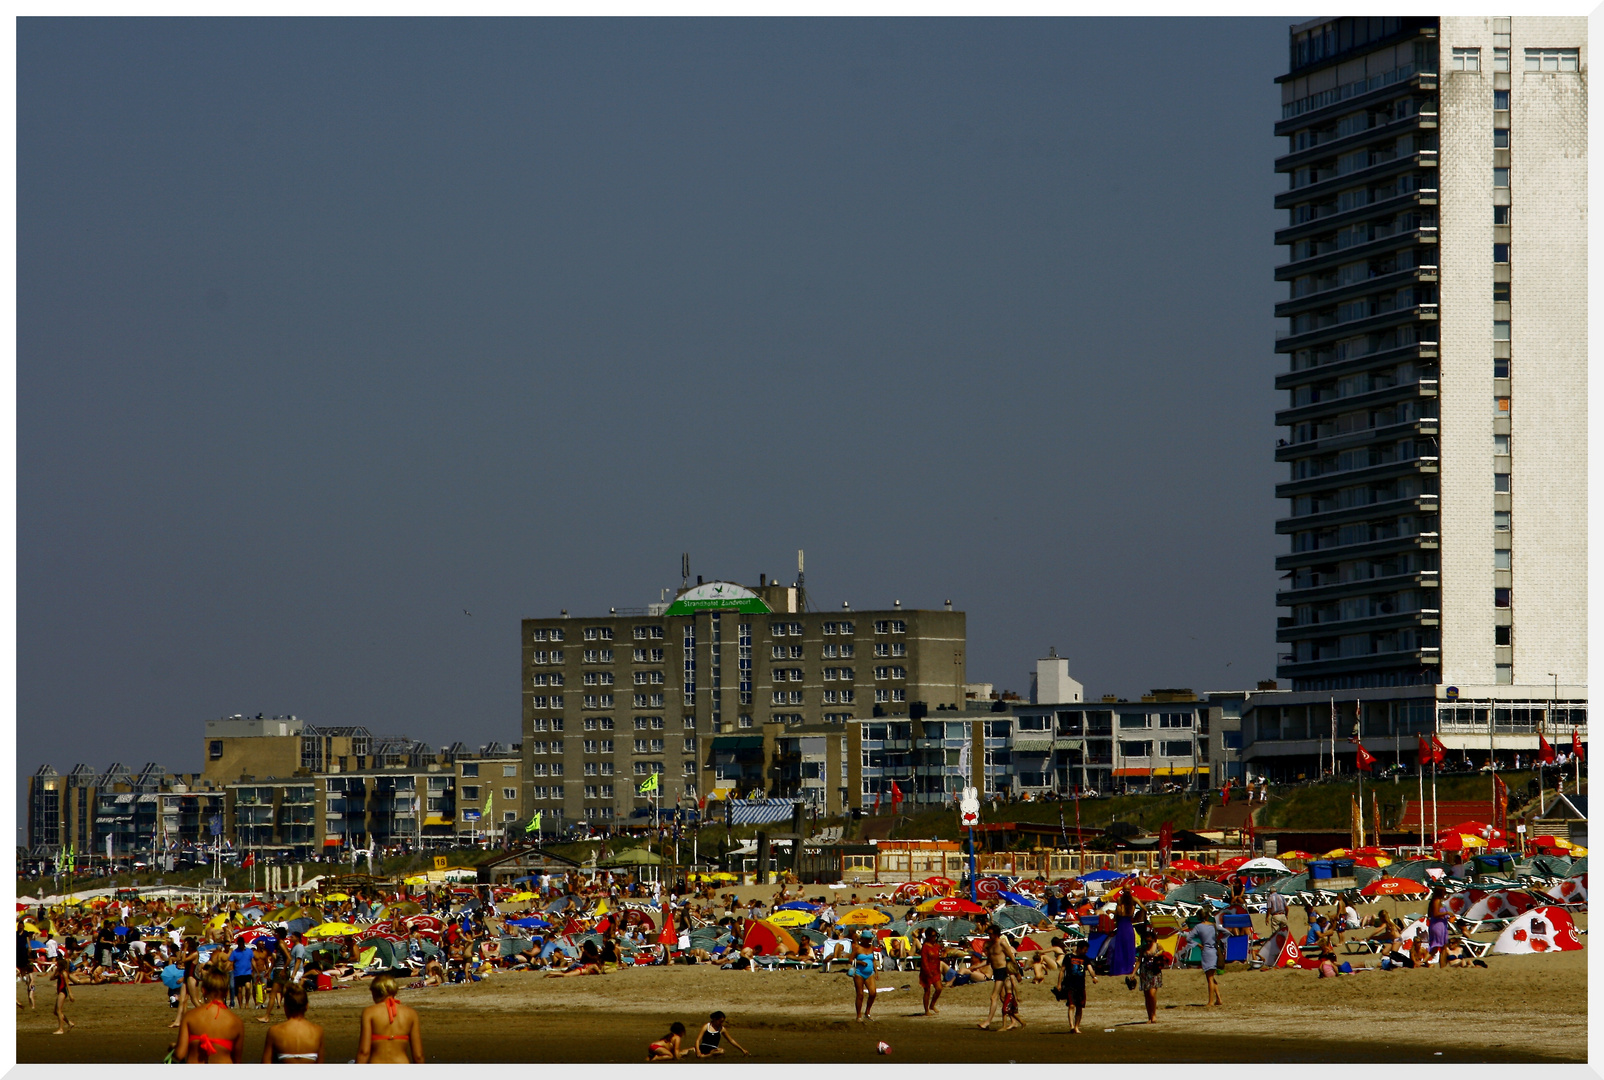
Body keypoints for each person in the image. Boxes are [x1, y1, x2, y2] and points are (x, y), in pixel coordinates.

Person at [175, 966, 241, 1062]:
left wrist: (174, 1048)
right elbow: (237, 1060)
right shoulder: (236, 1022)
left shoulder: (190, 1017)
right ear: (226, 992)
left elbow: (180, 1054)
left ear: (203, 990)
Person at [357, 973, 424, 1063]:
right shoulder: (411, 1014)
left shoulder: (369, 1012)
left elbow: (364, 1052)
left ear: (376, 992)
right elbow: (418, 1055)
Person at [262, 982, 323, 1063]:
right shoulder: (317, 1031)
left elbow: (265, 1064)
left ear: (285, 1007)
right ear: (307, 1006)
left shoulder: (275, 1031)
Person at [978, 923, 1019, 1031]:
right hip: (996, 971)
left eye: (991, 933)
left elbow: (1011, 956)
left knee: (993, 996)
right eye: (988, 933)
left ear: (996, 933)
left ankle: (987, 1022)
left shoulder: (1002, 943)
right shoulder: (990, 945)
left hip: (1002, 970)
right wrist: (974, 967)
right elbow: (988, 961)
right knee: (1003, 997)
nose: (989, 935)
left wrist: (1016, 973)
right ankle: (1014, 1021)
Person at [1058, 939, 1095, 1034]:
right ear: (1079, 948)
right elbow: (1062, 970)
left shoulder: (1085, 958)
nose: (1086, 951)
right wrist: (1059, 984)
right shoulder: (1068, 957)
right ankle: (1071, 1026)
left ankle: (1077, 1026)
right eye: (1085, 949)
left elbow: (1090, 969)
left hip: (1081, 986)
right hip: (1070, 985)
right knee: (1071, 1005)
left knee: (1079, 1007)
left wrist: (1094, 976)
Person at [1184, 915, 1222, 1007]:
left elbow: (1188, 938)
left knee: (1209, 978)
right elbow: (1227, 932)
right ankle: (1219, 999)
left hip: (1206, 951)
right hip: (1215, 951)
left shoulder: (1199, 927)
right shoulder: (1214, 926)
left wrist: (1198, 944)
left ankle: (1211, 1001)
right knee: (1212, 977)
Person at [1106, 887, 1140, 977]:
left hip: (1121, 927)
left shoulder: (1119, 904)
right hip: (1128, 927)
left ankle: (1120, 968)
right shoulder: (1132, 906)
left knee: (1120, 947)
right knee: (1128, 947)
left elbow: (1117, 916)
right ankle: (1128, 968)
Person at [849, 931, 878, 1023]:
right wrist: (859, 962)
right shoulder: (857, 948)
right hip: (859, 972)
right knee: (860, 994)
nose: (869, 940)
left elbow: (873, 960)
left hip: (870, 973)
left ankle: (867, 1012)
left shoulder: (871, 948)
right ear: (863, 939)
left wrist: (876, 972)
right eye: (868, 939)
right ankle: (858, 1015)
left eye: (870, 939)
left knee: (873, 993)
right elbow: (850, 960)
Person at [1137, 934, 1165, 1024]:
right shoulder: (1143, 948)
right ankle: (1150, 1016)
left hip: (1154, 972)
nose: (1148, 943)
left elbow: (1164, 953)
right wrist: (1133, 973)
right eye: (1147, 941)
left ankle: (1154, 1015)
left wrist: (1159, 955)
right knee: (1147, 996)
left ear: (1154, 940)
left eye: (1150, 941)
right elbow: (1139, 961)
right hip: (1145, 972)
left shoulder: (1158, 946)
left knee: (1152, 994)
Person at [918, 927, 944, 1016]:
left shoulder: (936, 945)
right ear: (928, 936)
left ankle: (932, 1005)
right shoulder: (925, 947)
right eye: (933, 936)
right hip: (927, 971)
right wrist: (928, 972)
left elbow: (941, 952)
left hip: (935, 970)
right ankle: (926, 1010)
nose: (934, 938)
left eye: (935, 936)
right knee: (927, 991)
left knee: (939, 988)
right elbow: (924, 961)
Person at [1427, 886, 1452, 968]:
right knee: (1442, 947)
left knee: (1438, 947)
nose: (1445, 894)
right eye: (1444, 892)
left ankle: (1441, 965)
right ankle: (1442, 966)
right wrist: (1447, 913)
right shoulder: (1436, 901)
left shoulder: (1439, 901)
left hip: (1441, 925)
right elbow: (1435, 914)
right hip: (1438, 925)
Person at [50, 953, 74, 1035]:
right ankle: (69, 1023)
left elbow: (67, 984)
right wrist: (55, 972)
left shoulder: (64, 973)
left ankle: (61, 1029)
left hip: (63, 991)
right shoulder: (59, 973)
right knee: (55, 1011)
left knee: (58, 1010)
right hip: (60, 991)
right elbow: (51, 978)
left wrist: (70, 994)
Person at [228, 936, 254, 1009]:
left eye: (241, 943)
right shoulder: (234, 952)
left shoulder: (249, 951)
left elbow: (252, 961)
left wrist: (256, 971)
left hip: (247, 972)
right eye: (239, 943)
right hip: (238, 973)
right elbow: (230, 962)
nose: (240, 945)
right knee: (239, 990)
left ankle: (247, 1003)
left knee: (248, 987)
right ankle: (240, 1005)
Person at [17, 920, 36, 1011]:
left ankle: (24, 974)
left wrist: (29, 947)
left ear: (23, 926)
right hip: (17, 951)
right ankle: (21, 974)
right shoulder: (16, 934)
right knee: (18, 963)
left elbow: (28, 941)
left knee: (24, 963)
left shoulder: (25, 934)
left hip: (23, 951)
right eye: (19, 925)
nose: (20, 927)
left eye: (21, 925)